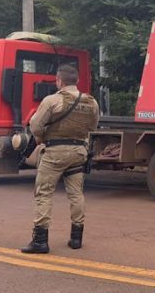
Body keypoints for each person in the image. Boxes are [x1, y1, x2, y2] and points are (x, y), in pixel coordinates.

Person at [21, 64, 99, 254]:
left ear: (59, 81)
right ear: (77, 81)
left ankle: (40, 241)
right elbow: (93, 126)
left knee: (44, 192)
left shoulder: (52, 100)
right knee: (76, 194)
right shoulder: (91, 102)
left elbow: (36, 127)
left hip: (55, 153)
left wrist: (42, 137)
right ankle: (76, 238)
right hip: (79, 152)